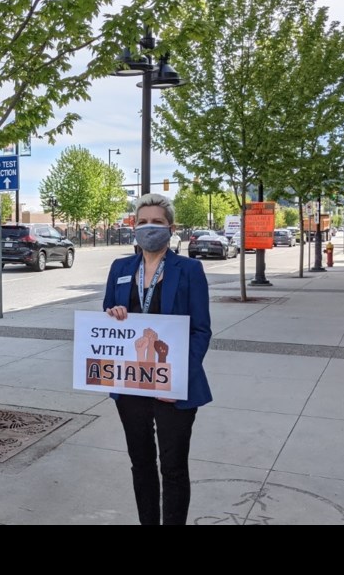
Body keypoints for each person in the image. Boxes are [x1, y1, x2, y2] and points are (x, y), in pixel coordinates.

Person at [102, 193, 212, 525]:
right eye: (143, 222)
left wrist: (175, 378)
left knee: (174, 467)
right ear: (134, 228)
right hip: (131, 384)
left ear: (171, 227)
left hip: (172, 388)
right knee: (142, 464)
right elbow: (107, 317)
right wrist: (114, 313)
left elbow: (201, 330)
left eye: (157, 222)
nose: (150, 228)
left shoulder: (189, 269)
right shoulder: (120, 268)